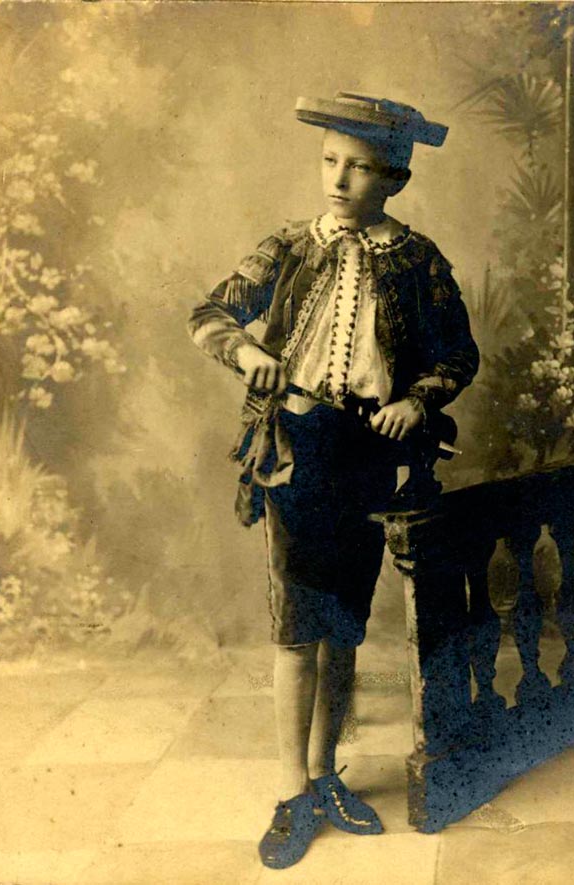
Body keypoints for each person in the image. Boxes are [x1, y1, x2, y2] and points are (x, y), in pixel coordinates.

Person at [187, 92, 479, 869]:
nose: (338, 181)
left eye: (358, 167)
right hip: (296, 445)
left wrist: (419, 400)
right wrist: (248, 354)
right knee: (297, 621)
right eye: (329, 162)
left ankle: (324, 774)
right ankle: (290, 790)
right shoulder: (288, 246)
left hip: (368, 454)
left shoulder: (417, 259)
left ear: (395, 177)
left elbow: (459, 355)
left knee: (344, 621)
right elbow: (210, 313)